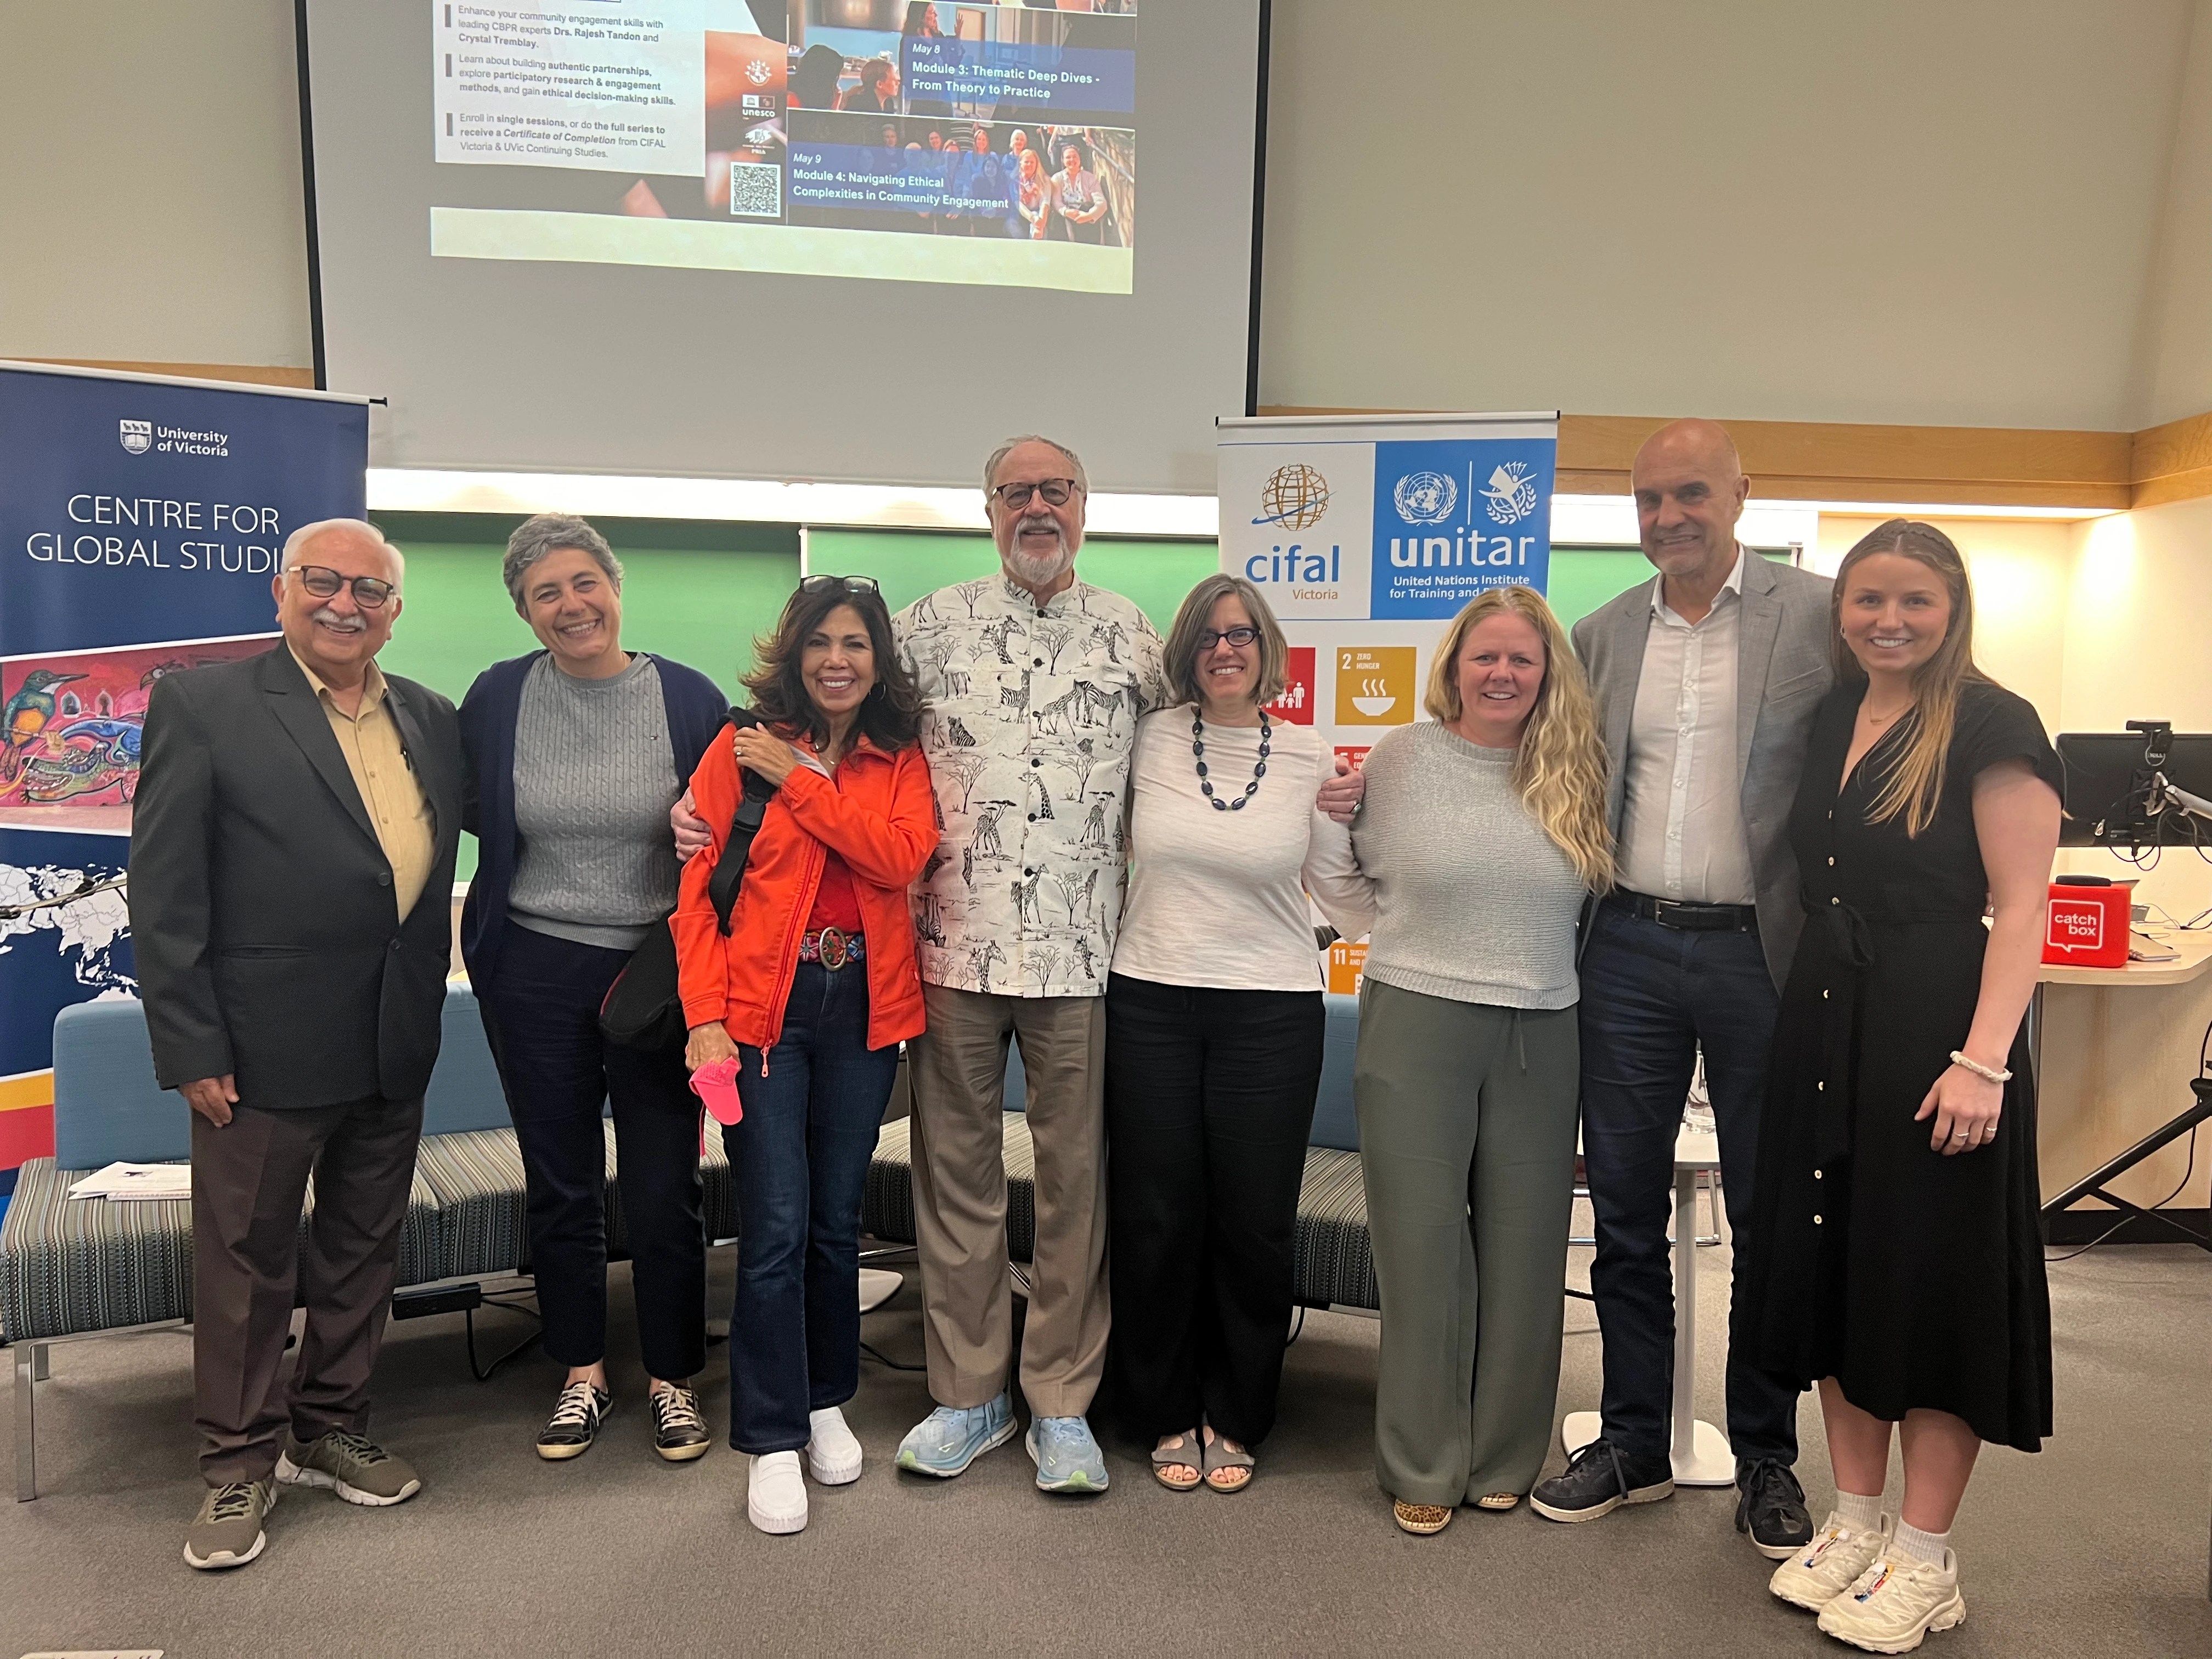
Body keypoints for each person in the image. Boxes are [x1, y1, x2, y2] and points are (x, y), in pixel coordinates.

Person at [1743, 522, 2058, 1652]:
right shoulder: (1833, 712)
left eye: (1914, 601)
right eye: (1869, 598)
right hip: (1830, 1018)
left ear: (1952, 607)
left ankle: (1927, 1557)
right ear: (1841, 608)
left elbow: (2025, 907)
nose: (1889, 620)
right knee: (1836, 1273)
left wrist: (1982, 1061)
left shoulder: (1992, 723)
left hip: (1937, 1030)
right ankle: (1858, 1523)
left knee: (1931, 1288)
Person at [132, 518, 462, 1570]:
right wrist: (190, 1041)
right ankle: (237, 1464)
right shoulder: (206, 702)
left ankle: (330, 1423)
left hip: (394, 1029)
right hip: (259, 1043)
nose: (344, 604)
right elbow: (167, 885)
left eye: (370, 590)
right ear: (282, 591)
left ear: (395, 611)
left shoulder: (430, 714)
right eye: (322, 581)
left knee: (363, 1245)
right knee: (245, 1260)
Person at [1532, 418, 1831, 1557]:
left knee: (1765, 1214)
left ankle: (1766, 1456)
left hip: (1768, 954)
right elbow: (1563, 775)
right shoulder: (1604, 632)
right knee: (1619, 1212)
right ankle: (1635, 1441)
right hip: (1633, 949)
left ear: (1743, 496)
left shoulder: (1818, 615)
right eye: (1650, 501)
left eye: (1691, 495)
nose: (1669, 519)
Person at [893, 433, 1165, 1495]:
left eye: (1056, 490)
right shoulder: (925, 630)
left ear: (1085, 506)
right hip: (950, 949)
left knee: (1075, 1181)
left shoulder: (1133, 637)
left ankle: (1060, 1400)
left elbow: (1196, 761)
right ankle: (968, 1394)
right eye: (1017, 492)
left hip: (1088, 956)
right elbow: (846, 740)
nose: (1036, 507)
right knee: (953, 1174)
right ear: (989, 509)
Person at [458, 515, 729, 1465]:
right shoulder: (496, 698)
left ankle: (672, 1376)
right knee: (561, 1180)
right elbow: (462, 804)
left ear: (614, 587)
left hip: (655, 972)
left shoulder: (687, 697)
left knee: (664, 1185)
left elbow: (738, 831)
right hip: (531, 966)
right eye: (546, 593)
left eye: (584, 582)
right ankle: (580, 1369)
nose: (571, 604)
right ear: (526, 612)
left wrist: (705, 834)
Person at [1344, 586, 1612, 1536]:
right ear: (1454, 663)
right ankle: (1423, 1454)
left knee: (1526, 1243)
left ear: (1548, 674)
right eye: (1484, 656)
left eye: (1522, 659)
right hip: (1416, 1008)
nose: (1502, 673)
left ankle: (1503, 1453)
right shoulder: (1401, 757)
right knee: (1419, 1244)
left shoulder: (1578, 767)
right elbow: (1346, 875)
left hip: (1544, 1022)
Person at [675, 575, 937, 1536]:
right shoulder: (736, 749)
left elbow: (898, 857)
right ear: (794, 653)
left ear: (878, 660)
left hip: (864, 1008)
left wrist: (803, 782)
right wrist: (705, 1016)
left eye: (856, 643)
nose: (838, 659)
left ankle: (827, 1393)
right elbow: (695, 896)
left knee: (835, 1225)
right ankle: (772, 1432)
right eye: (821, 641)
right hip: (761, 1018)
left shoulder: (897, 757)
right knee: (776, 1227)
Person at [1105, 574, 1368, 1494]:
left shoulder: (1307, 757)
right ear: (1188, 649)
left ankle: (1240, 1408)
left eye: (1243, 633)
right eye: (1211, 634)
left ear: (1267, 648)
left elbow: (1342, 893)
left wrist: (1371, 819)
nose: (1227, 647)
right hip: (1149, 999)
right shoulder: (1144, 739)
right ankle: (1161, 1403)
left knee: (1253, 1223)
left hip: (1270, 1009)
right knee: (1154, 1216)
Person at [1050, 142, 1109, 243]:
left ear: (1080, 159)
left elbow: (1102, 203)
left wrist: (1089, 216)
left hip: (1086, 216)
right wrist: (1066, 212)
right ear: (1063, 161)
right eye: (1068, 157)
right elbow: (1056, 202)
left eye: (1075, 157)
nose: (1072, 160)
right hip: (1067, 215)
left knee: (1087, 208)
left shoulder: (1090, 178)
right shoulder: (1057, 178)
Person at [1015, 147, 1051, 240]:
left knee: (1039, 231)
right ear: (1020, 164)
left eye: (1032, 162)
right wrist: (1032, 218)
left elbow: (1045, 203)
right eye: (1026, 162)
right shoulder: (1014, 180)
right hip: (1020, 214)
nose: (1030, 165)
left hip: (1039, 214)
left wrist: (1041, 224)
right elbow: (1017, 204)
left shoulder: (1044, 180)